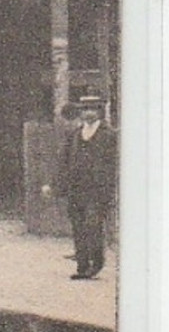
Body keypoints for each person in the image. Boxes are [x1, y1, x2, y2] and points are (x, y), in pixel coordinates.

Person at [47, 94, 117, 279]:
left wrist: (109, 190)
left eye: (92, 108)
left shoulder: (108, 135)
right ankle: (82, 265)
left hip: (96, 191)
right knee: (78, 227)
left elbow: (112, 167)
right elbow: (64, 162)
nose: (88, 113)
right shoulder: (76, 134)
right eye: (85, 109)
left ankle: (96, 262)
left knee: (93, 226)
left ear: (99, 111)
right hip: (76, 190)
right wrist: (57, 185)